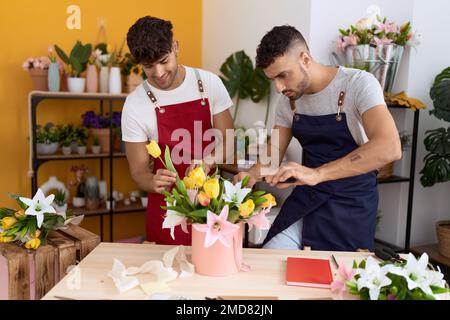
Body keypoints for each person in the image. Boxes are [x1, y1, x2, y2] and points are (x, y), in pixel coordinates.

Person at [234, 25, 401, 251]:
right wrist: (250, 175)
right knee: (271, 255)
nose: (279, 87)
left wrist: (317, 173)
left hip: (351, 205)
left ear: (305, 58)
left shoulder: (358, 84)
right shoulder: (287, 102)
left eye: (283, 75)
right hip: (308, 199)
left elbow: (389, 147)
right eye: (273, 79)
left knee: (334, 279)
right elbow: (271, 157)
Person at [122, 16, 234, 245]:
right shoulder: (135, 105)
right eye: (148, 67)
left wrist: (209, 160)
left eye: (164, 60)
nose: (159, 72)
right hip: (166, 213)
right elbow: (138, 171)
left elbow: (230, 142)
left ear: (175, 47)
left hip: (210, 206)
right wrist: (151, 181)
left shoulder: (209, 84)